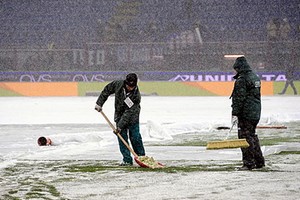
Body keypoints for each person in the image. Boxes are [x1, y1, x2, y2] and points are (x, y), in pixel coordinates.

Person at [94, 73, 145, 166]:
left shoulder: (136, 96)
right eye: (128, 86)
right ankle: (127, 160)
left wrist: (120, 126)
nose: (130, 88)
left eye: (132, 87)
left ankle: (142, 157)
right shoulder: (118, 85)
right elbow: (107, 90)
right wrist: (99, 103)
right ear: (125, 83)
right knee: (122, 139)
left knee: (135, 137)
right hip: (119, 115)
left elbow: (129, 113)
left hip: (133, 117)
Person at [230, 56, 265, 170]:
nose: (235, 71)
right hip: (255, 112)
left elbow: (239, 98)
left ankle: (248, 163)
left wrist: (235, 113)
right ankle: (259, 161)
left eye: (236, 69)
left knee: (244, 138)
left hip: (246, 114)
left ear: (240, 68)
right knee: (252, 136)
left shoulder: (242, 79)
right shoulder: (254, 77)